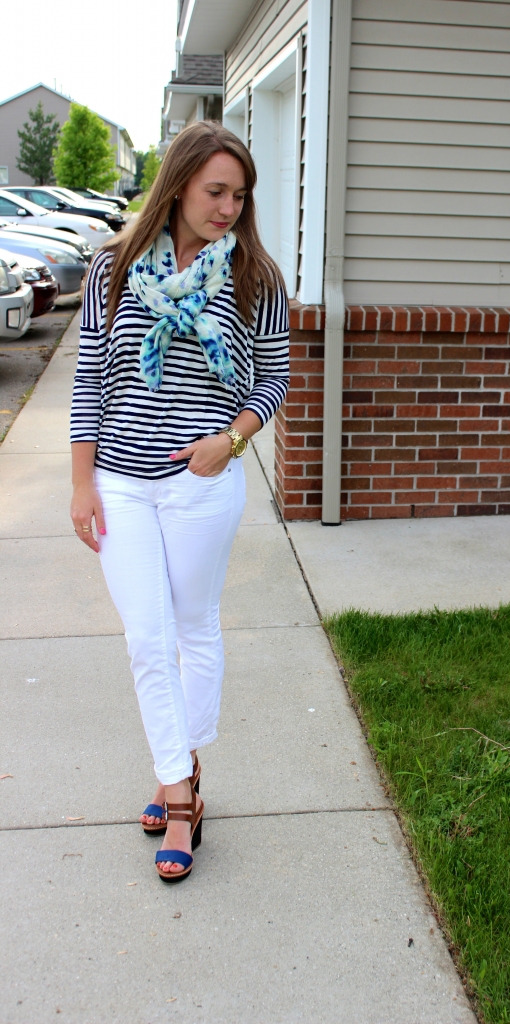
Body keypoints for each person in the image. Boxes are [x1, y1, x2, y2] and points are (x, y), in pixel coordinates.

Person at [69, 121, 289, 882]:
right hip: (123, 483)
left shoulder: (254, 276)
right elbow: (92, 375)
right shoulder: (115, 266)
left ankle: (179, 765)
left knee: (193, 627)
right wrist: (78, 481)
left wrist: (228, 442)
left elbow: (273, 378)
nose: (229, 207)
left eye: (240, 194)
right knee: (145, 635)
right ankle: (180, 791)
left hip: (201, 486)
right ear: (179, 185)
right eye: (215, 191)